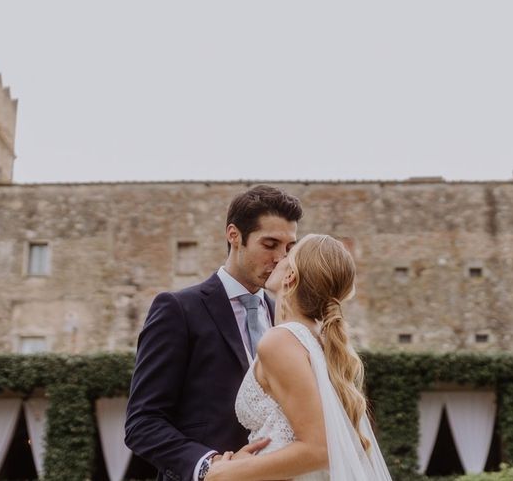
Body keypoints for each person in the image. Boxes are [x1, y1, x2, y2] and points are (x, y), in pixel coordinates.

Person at [125, 185, 303, 481]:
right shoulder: (178, 309)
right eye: (270, 244)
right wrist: (211, 465)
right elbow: (143, 422)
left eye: (289, 248)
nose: (280, 259)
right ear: (234, 235)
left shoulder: (285, 319)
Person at [206, 234, 392, 481]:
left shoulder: (281, 341)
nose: (278, 258)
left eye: (287, 255)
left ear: (290, 275)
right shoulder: (318, 341)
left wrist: (225, 473)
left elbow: (319, 449)